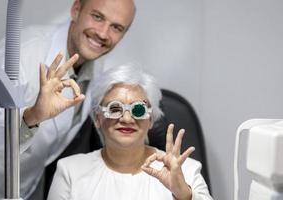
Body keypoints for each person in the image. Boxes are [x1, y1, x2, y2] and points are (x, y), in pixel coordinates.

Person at [0, 0, 136, 199]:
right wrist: (32, 116)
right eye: (97, 16)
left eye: (116, 27)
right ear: (76, 10)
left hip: (22, 187)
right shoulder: (27, 48)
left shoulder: (95, 67)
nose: (103, 33)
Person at [47, 65, 213, 200]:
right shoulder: (70, 171)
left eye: (138, 109)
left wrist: (184, 195)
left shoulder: (185, 171)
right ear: (98, 118)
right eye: (115, 108)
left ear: (151, 120)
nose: (127, 118)